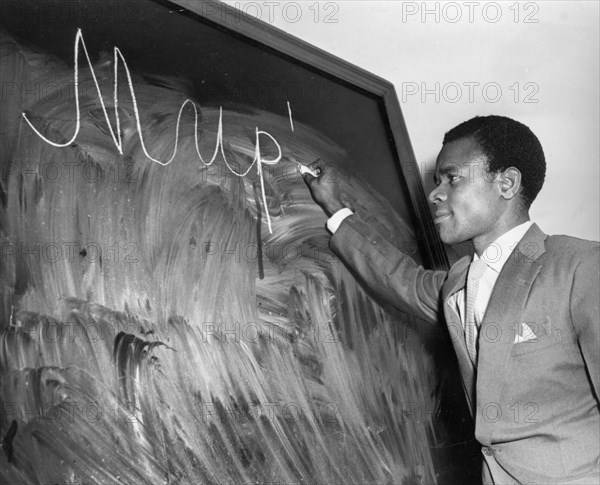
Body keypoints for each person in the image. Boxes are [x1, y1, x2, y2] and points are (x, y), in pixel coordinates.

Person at [302, 115, 600, 485]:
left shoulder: (581, 267)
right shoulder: (459, 282)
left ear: (506, 183)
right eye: (436, 180)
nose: (434, 194)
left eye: (452, 178)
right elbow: (399, 278)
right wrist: (335, 206)